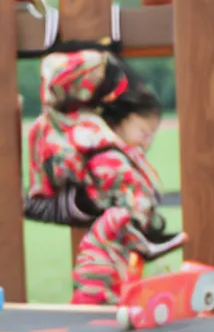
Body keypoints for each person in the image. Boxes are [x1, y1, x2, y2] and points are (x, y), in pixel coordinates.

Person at [22, 49, 184, 304]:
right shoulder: (85, 132)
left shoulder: (84, 127)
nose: (147, 141)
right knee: (104, 250)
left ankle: (137, 244)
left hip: (98, 204)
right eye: (143, 131)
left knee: (113, 249)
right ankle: (94, 294)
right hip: (90, 202)